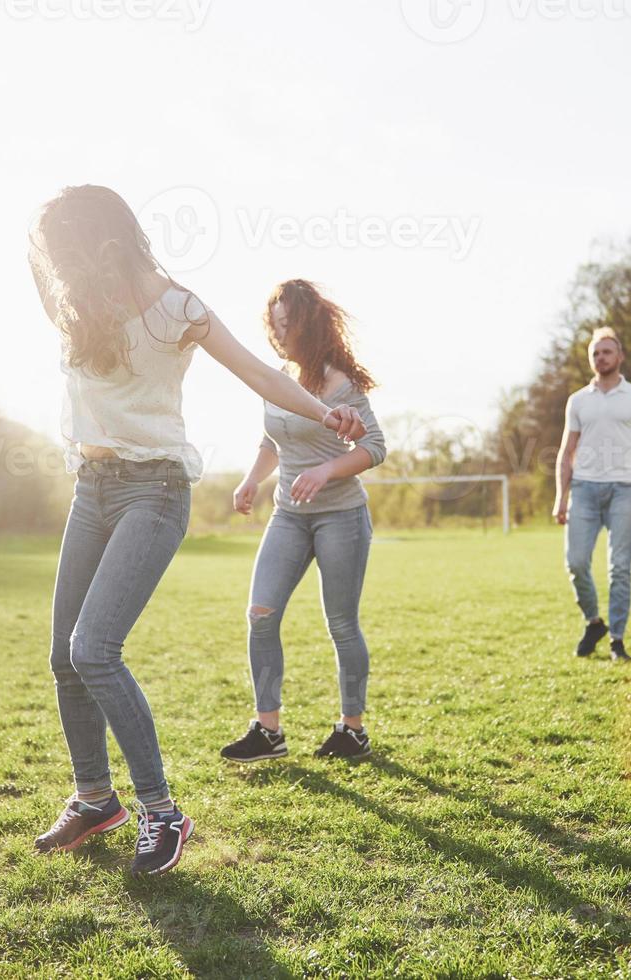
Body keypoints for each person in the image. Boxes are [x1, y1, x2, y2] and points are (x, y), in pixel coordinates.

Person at [27, 185, 367, 876]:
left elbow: (253, 373)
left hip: (153, 489)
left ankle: (161, 811)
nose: (58, 268)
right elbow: (34, 262)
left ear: (102, 242)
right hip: (89, 489)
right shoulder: (77, 306)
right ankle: (94, 798)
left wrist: (322, 413)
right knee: (65, 656)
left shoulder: (177, 307)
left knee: (94, 648)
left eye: (67, 251)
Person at [221, 280, 386, 764]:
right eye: (274, 323)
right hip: (288, 517)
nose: (279, 331)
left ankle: (352, 729)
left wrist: (325, 470)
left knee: (341, 624)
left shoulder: (341, 383)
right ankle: (268, 730)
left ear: (308, 322)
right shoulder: (279, 377)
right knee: (260, 614)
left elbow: (374, 447)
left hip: (341, 517)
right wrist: (252, 480)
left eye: (287, 322)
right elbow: (273, 440)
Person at [553, 327, 631, 662]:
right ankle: (594, 623)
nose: (600, 357)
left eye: (606, 352)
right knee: (575, 563)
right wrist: (561, 496)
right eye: (595, 353)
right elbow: (565, 452)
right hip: (584, 491)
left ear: (620, 356)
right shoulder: (578, 400)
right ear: (591, 360)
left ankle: (617, 639)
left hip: (624, 491)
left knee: (619, 568)